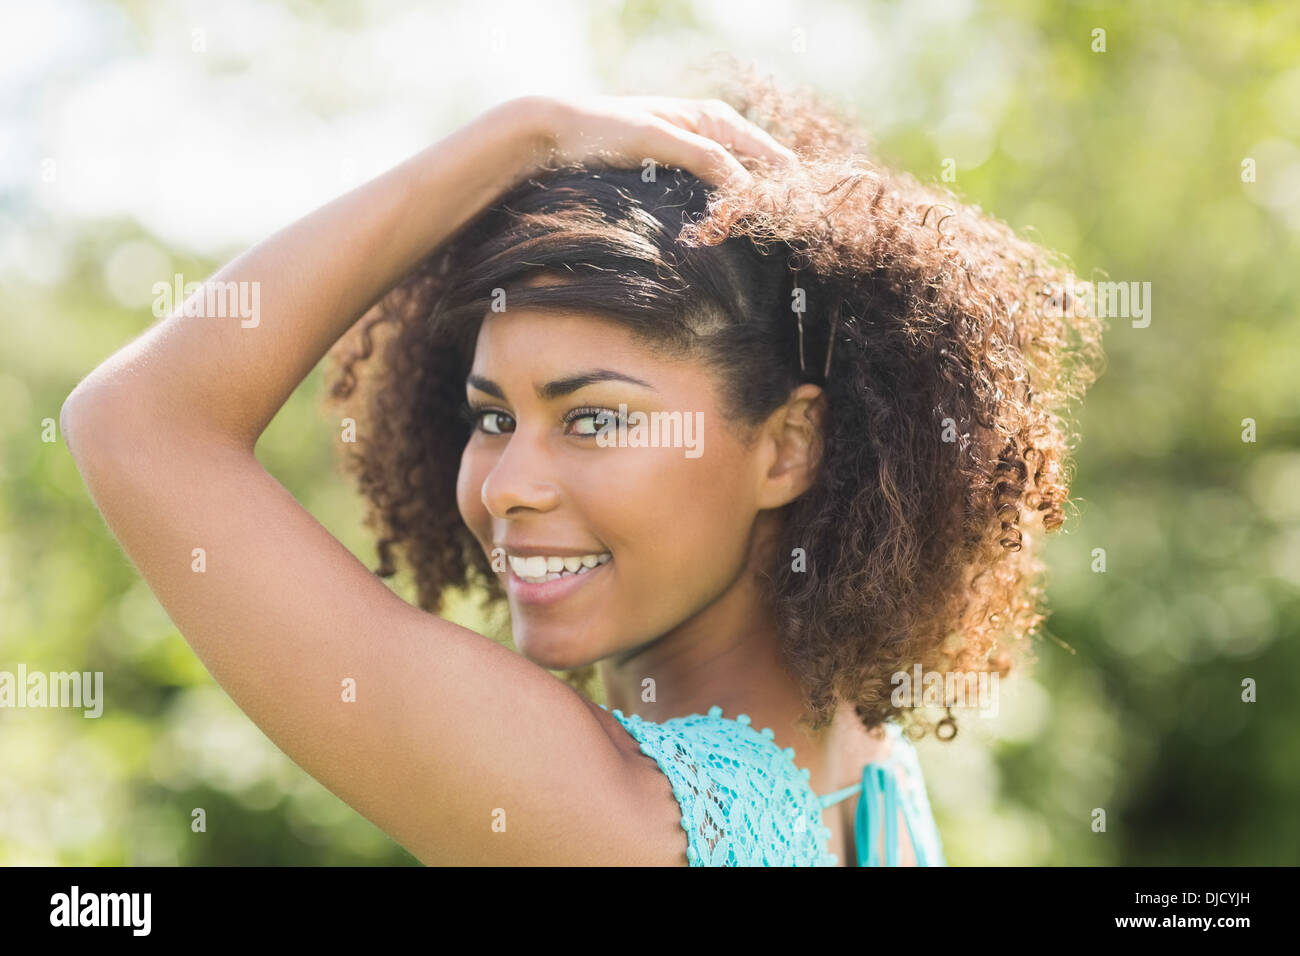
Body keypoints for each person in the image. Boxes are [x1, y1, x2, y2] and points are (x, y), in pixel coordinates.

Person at [61, 70, 1104, 865]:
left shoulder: (604, 815)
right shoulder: (868, 765)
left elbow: (140, 421)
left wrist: (519, 133)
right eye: (488, 415)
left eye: (596, 418)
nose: (509, 483)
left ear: (787, 445)